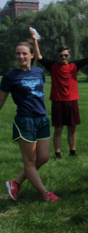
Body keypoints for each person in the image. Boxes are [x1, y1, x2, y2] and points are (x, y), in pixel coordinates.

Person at [1, 41, 61, 202]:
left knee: (43, 158)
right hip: (25, 120)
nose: (21, 56)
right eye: (18, 53)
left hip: (42, 119)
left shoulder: (38, 72)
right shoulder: (9, 77)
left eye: (24, 53)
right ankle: (44, 193)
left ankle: (15, 183)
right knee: (30, 161)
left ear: (32, 55)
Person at [30, 29, 88, 158]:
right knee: (58, 129)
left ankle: (72, 151)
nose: (64, 57)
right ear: (58, 56)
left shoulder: (74, 65)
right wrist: (35, 40)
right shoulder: (53, 66)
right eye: (61, 55)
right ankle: (57, 153)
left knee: (72, 128)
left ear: (69, 55)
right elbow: (39, 56)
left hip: (72, 101)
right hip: (58, 101)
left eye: (66, 55)